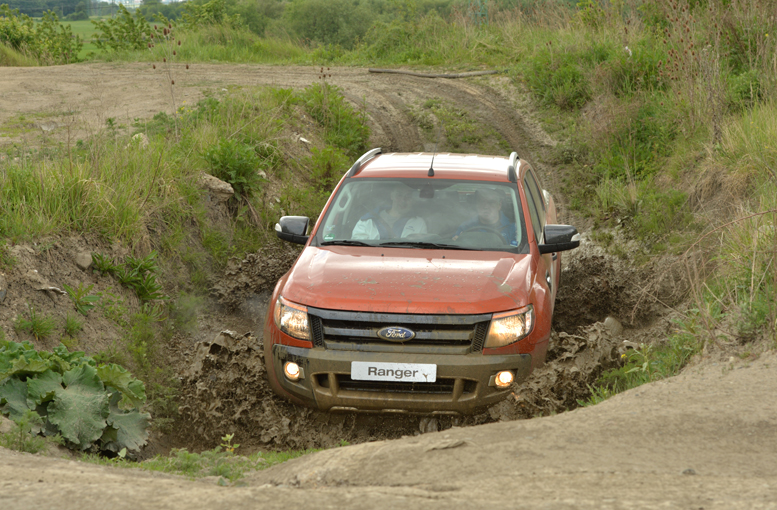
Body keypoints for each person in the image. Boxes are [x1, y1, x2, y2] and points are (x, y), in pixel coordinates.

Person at [351, 184, 427, 240]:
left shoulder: (418, 223)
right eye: (399, 195)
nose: (403, 200)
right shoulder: (367, 221)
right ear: (392, 196)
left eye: (408, 196)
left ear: (413, 200)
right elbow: (358, 251)